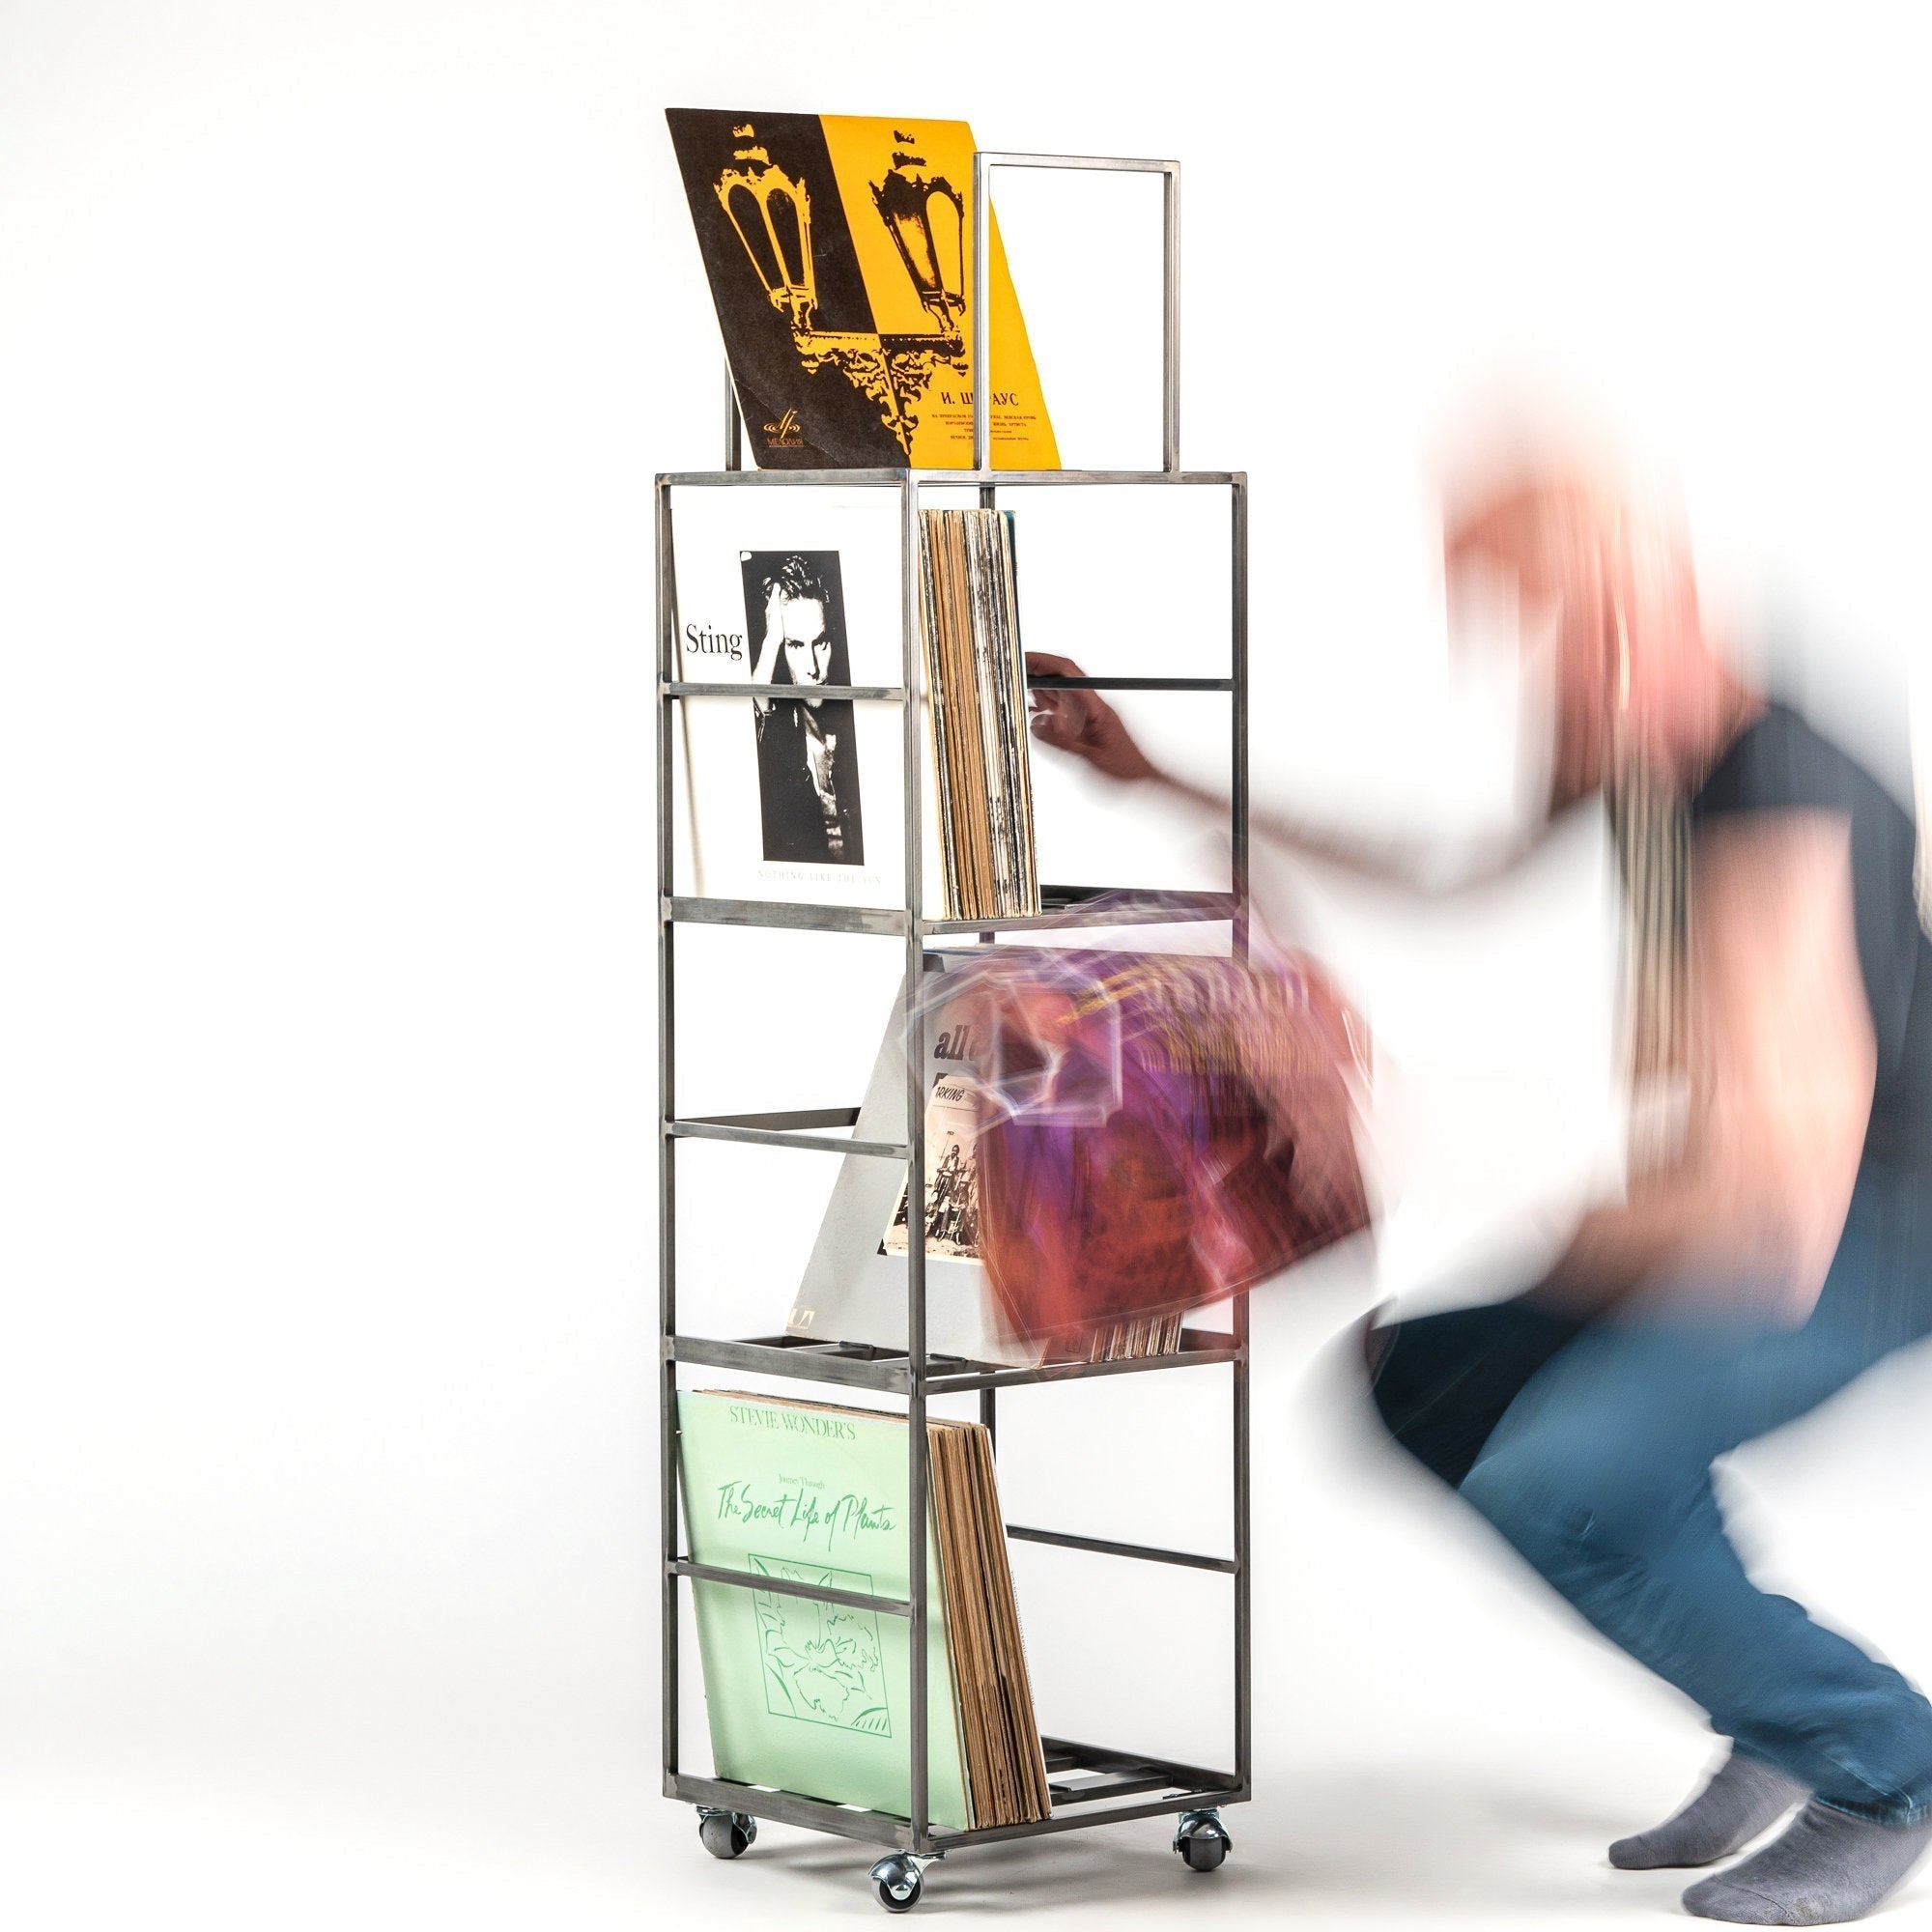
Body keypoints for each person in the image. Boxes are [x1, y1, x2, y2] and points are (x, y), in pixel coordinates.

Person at [1025, 469, 1932, 1925]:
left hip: (1874, 1237)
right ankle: (1776, 1711)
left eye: (1545, 627)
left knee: (1561, 1473)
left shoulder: (1785, 803)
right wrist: (1160, 775)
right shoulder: (1655, 750)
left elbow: (1766, 1215)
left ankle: (1882, 1759)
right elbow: (1447, 871)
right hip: (1758, 1203)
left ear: (1650, 605)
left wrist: (1373, 1112)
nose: (1525, 675)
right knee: (1427, 1380)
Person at [748, 553, 864, 866]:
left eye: (821, 642)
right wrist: (772, 642)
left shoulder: (860, 718)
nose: (813, 668)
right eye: (795, 645)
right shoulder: (779, 735)